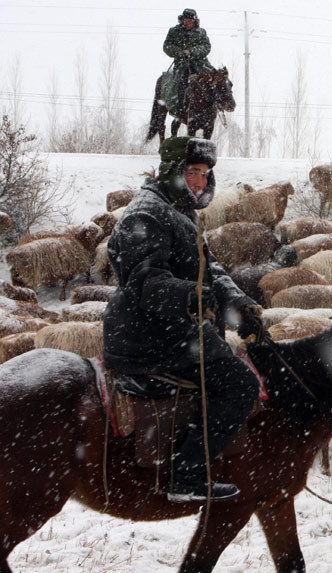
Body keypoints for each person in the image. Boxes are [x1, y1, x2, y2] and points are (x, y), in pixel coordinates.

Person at [102, 136, 267, 502]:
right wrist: (192, 297)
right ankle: (187, 475)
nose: (200, 182)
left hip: (173, 329)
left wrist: (240, 307)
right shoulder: (146, 213)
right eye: (192, 172)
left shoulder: (178, 210)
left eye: (205, 175)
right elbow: (142, 279)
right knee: (240, 384)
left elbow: (211, 270)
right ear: (172, 171)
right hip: (149, 336)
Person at [163, 9, 215, 117]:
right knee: (180, 83)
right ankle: (180, 107)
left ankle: (216, 104)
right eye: (186, 20)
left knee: (214, 79)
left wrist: (192, 51)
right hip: (182, 64)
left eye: (190, 21)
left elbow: (206, 47)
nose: (188, 23)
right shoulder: (174, 31)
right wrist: (179, 52)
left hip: (200, 64)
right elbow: (167, 46)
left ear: (194, 21)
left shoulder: (201, 32)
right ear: (182, 20)